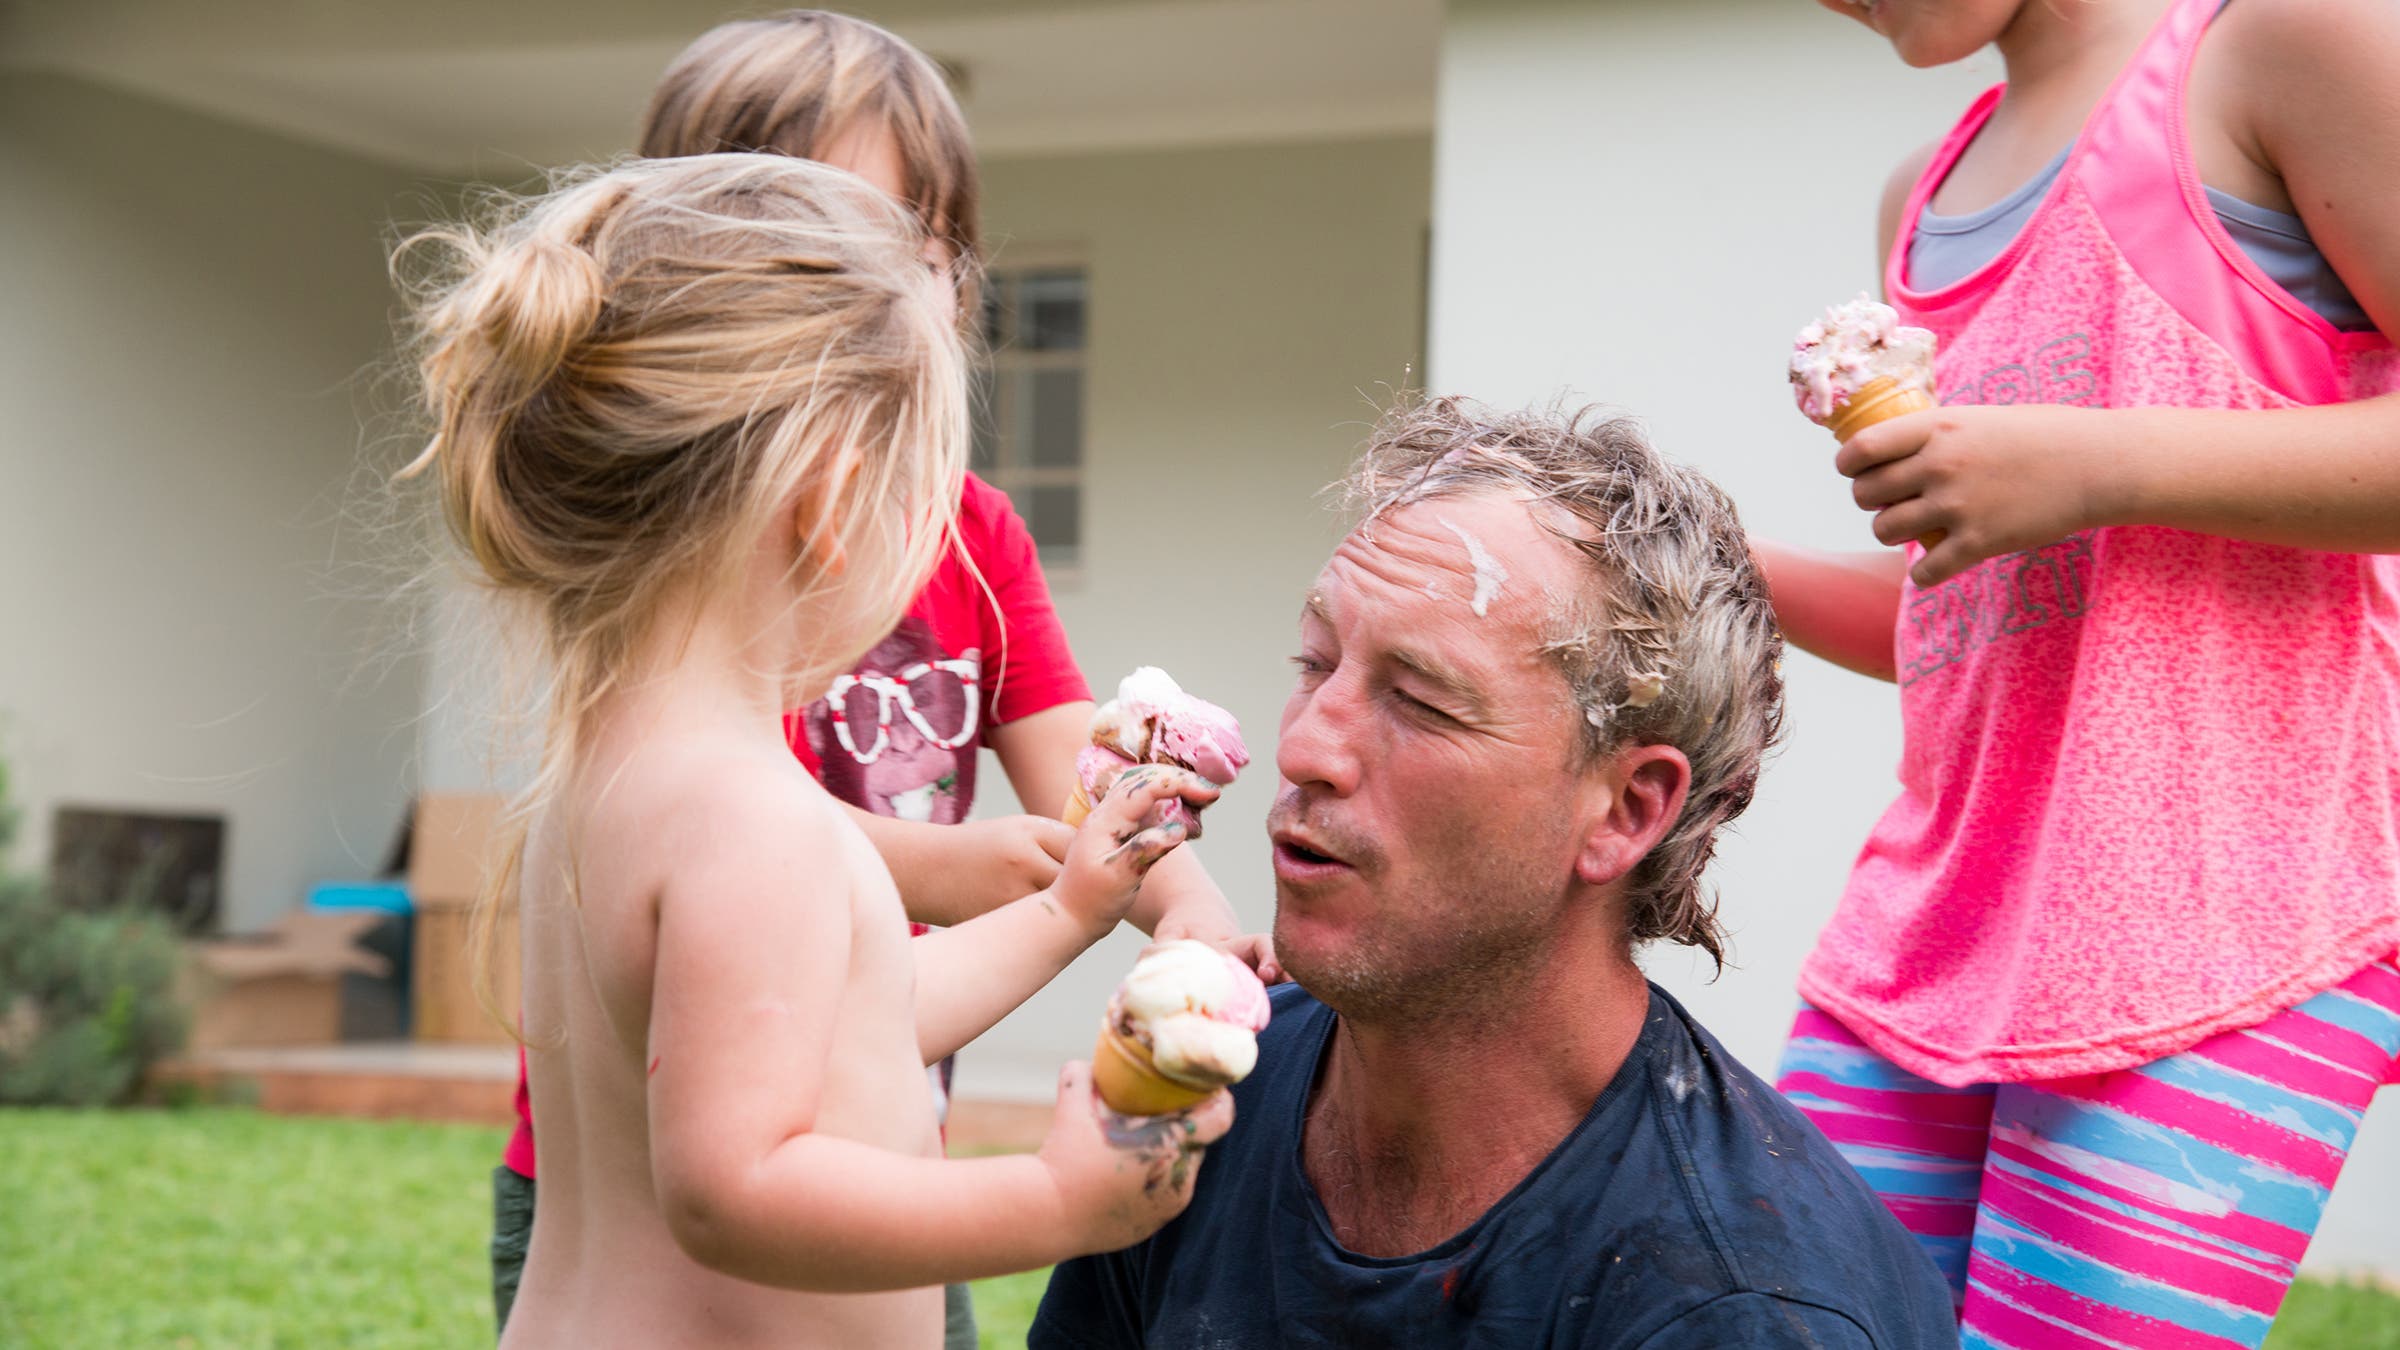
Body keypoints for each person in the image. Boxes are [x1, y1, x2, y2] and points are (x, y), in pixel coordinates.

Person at [488, 14, 1254, 1341]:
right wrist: (1056, 1199)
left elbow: (858, 1009)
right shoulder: (750, 818)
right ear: (835, 505)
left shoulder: (628, 764)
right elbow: (738, 1183)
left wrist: (1077, 903)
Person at [1032, 398, 1957, 1349]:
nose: (1307, 746)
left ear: (1626, 810)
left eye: (1422, 703)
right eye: (1315, 662)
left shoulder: (1738, 1310)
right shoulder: (1204, 1095)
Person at [1756, 0, 2400, 1341]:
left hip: (2221, 929)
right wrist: (1719, 565)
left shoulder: (2290, 42)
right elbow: (1972, 611)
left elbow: (2083, 490)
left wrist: (2102, 463)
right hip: (1931, 935)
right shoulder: (1916, 203)